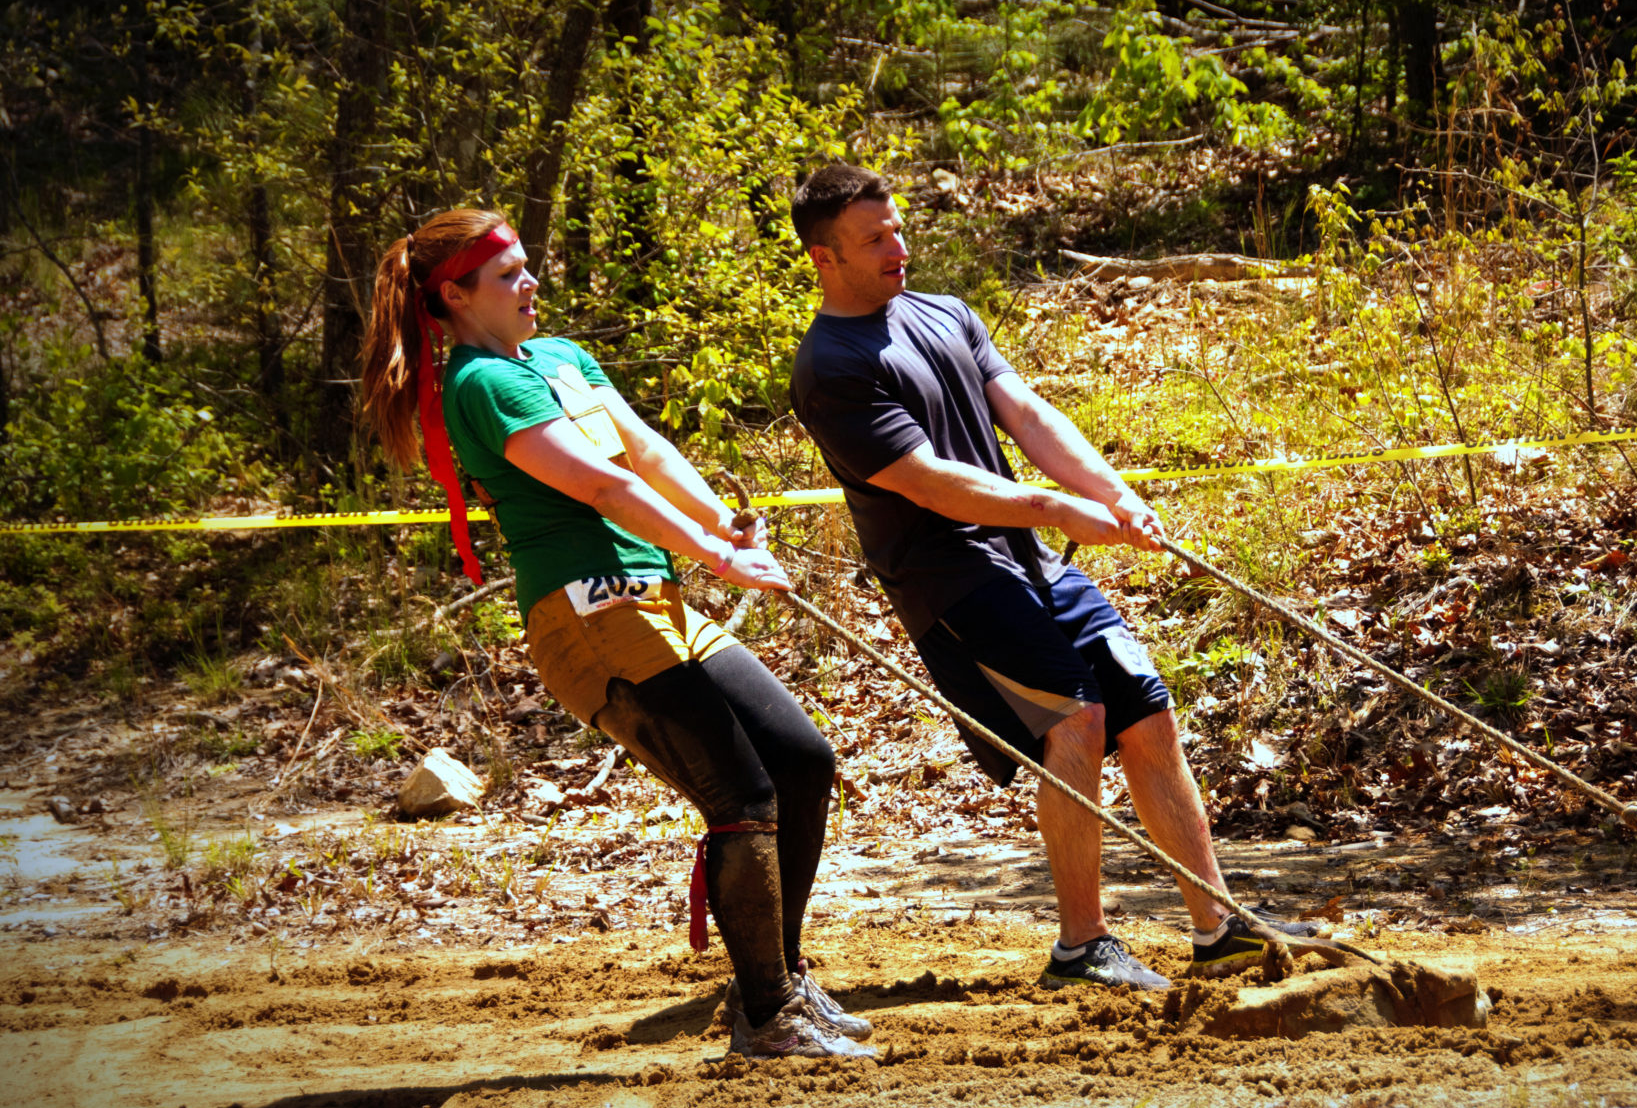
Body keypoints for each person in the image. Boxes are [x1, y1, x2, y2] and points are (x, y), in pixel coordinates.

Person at [358, 207, 872, 1059]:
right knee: (743, 800)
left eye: (528, 267)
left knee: (803, 762)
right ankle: (768, 1014)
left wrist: (723, 525)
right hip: (586, 619)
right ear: (455, 295)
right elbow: (598, 484)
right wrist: (710, 552)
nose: (532, 284)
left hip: (656, 605)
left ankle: (779, 980)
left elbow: (645, 452)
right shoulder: (481, 383)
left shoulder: (559, 357)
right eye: (510, 274)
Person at [787, 164, 1316, 990]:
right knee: (1077, 722)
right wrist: (1058, 510)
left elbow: (1028, 414)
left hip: (1029, 561)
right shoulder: (830, 366)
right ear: (825, 258)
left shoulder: (945, 314)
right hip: (953, 578)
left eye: (897, 228)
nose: (898, 247)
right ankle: (1082, 946)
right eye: (874, 239)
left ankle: (1220, 928)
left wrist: (1112, 493)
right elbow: (926, 480)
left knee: (1145, 711)